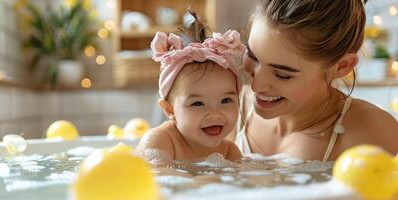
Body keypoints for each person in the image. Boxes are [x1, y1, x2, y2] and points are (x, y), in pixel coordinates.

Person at [230, 0, 398, 161]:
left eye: (282, 74)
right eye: (252, 56)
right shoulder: (228, 107)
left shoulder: (374, 132)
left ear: (342, 66)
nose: (255, 85)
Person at [135, 15, 245, 163]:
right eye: (198, 103)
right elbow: (157, 178)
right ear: (170, 110)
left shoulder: (229, 151)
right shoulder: (160, 140)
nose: (214, 114)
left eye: (226, 100)